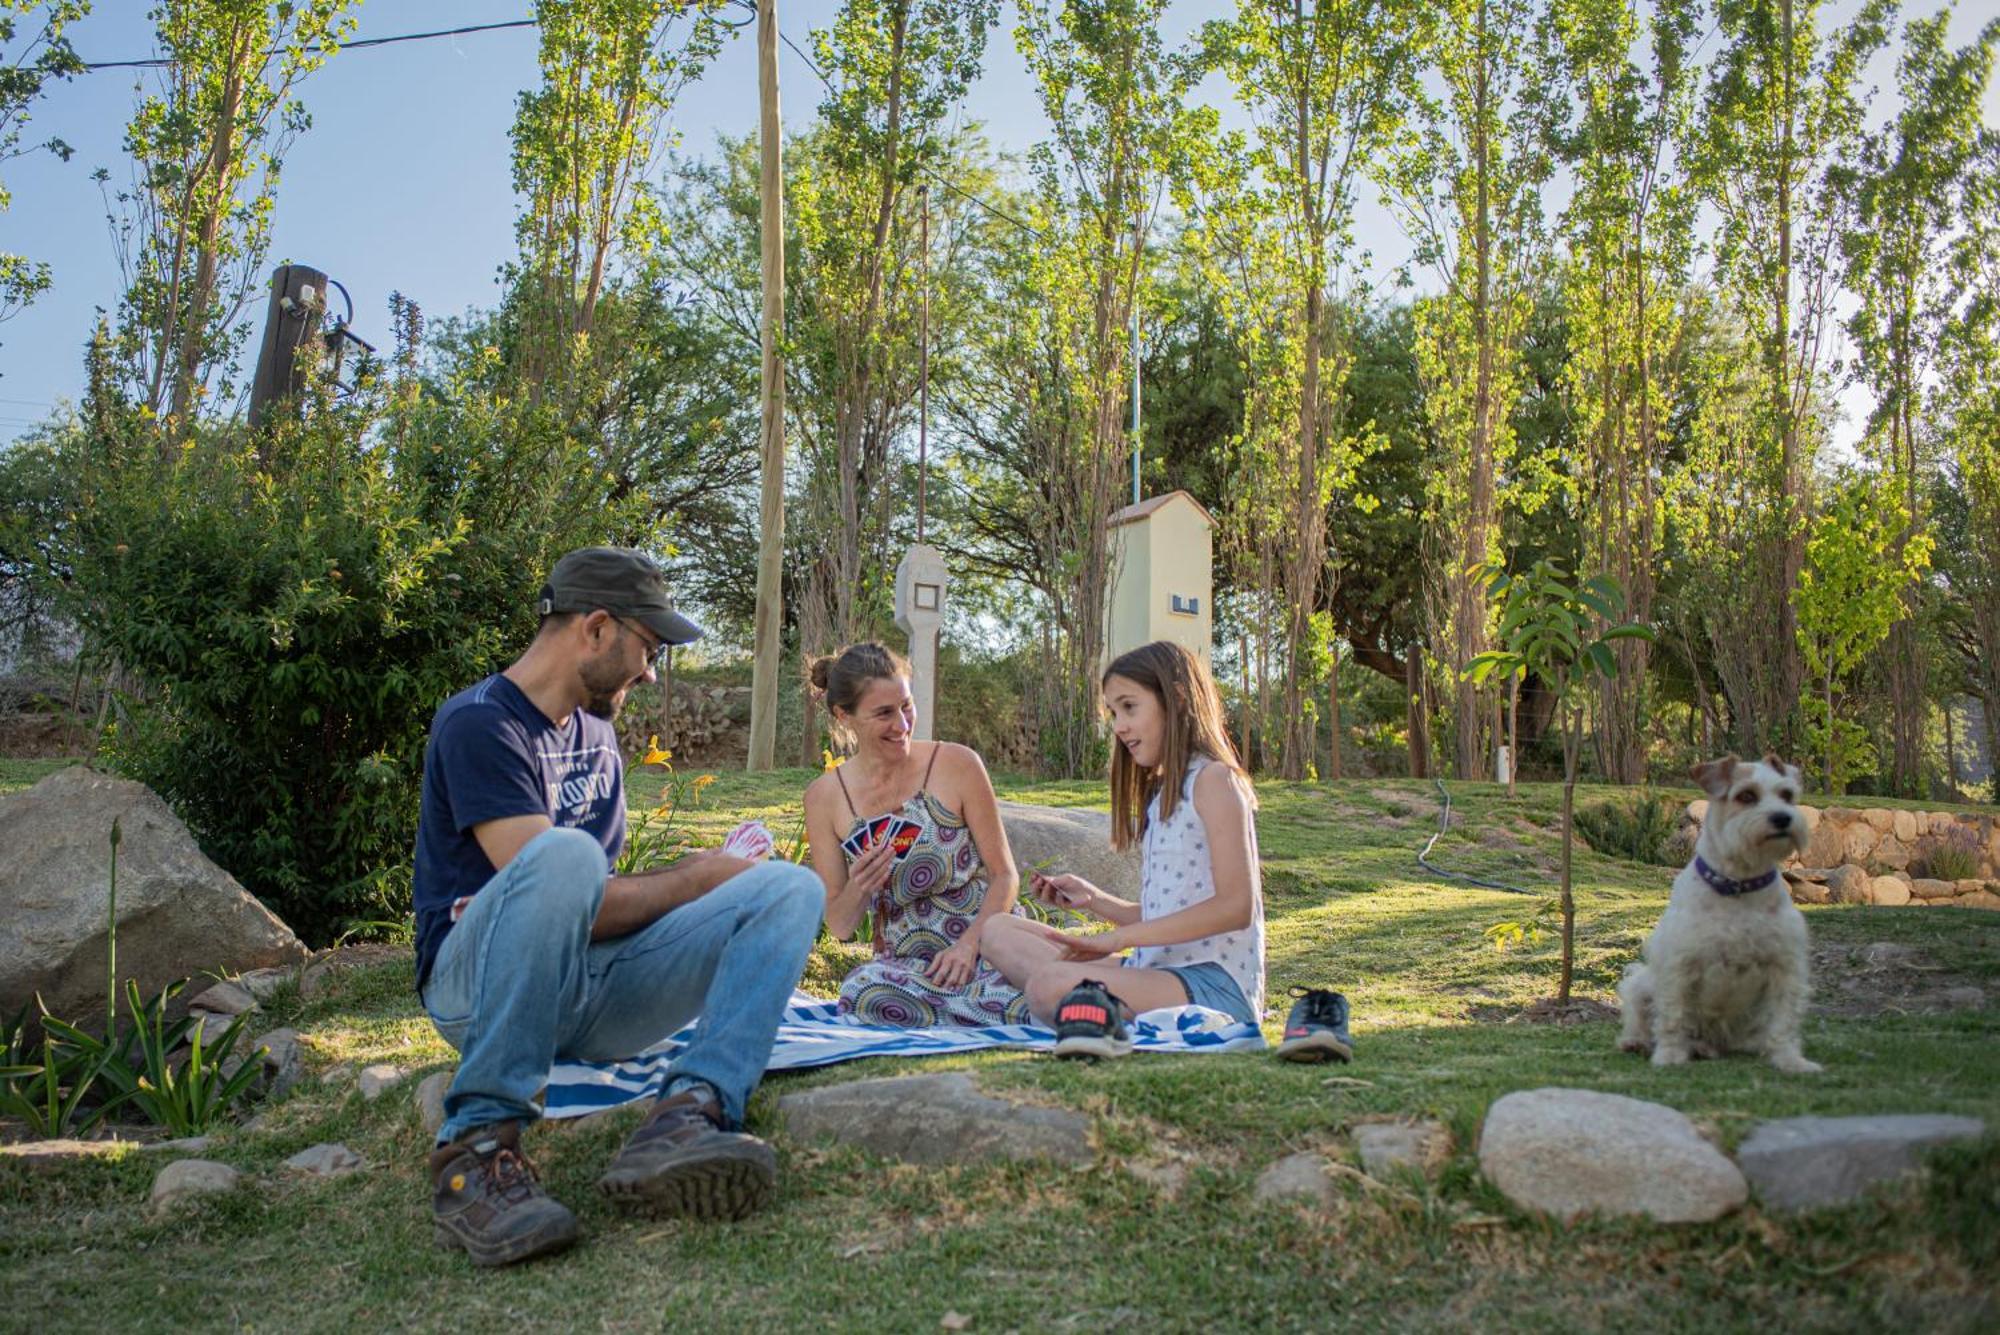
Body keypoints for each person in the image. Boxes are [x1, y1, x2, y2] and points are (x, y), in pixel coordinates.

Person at [412, 547, 825, 1268]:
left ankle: (689, 1113)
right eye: (649, 646)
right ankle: (475, 1148)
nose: (650, 670)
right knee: (566, 855)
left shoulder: (598, 735)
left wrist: (722, 888)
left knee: (792, 888)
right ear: (597, 629)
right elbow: (584, 894)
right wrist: (699, 875)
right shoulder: (479, 724)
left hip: (590, 988)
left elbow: (607, 912)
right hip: (476, 988)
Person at [980, 640, 1277, 1059]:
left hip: (1213, 986)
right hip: (1154, 972)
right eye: (1113, 714)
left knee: (1048, 985)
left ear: (1174, 699)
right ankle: (1100, 1010)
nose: (1119, 726)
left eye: (1129, 707)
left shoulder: (1215, 780)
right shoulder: (1162, 795)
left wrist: (1113, 940)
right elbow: (1171, 914)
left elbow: (1235, 908)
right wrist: (1096, 901)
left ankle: (1091, 1010)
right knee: (998, 931)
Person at [802, 643, 1032, 1027]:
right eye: (884, 714)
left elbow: (1005, 876)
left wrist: (968, 947)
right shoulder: (824, 798)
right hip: (910, 967)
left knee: (1029, 989)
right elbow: (841, 926)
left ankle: (998, 1004)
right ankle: (982, 1013)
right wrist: (861, 885)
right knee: (862, 990)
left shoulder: (958, 764)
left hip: (990, 944)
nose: (903, 725)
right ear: (844, 716)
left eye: (906, 706)